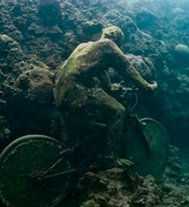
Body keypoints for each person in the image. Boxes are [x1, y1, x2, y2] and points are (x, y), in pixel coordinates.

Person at [53, 26, 157, 170]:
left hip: (60, 92)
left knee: (91, 121)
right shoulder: (109, 46)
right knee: (118, 111)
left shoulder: (85, 46)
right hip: (76, 91)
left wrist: (111, 88)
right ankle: (109, 159)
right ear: (118, 39)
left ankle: (75, 152)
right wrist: (147, 88)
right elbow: (128, 70)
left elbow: (102, 77)